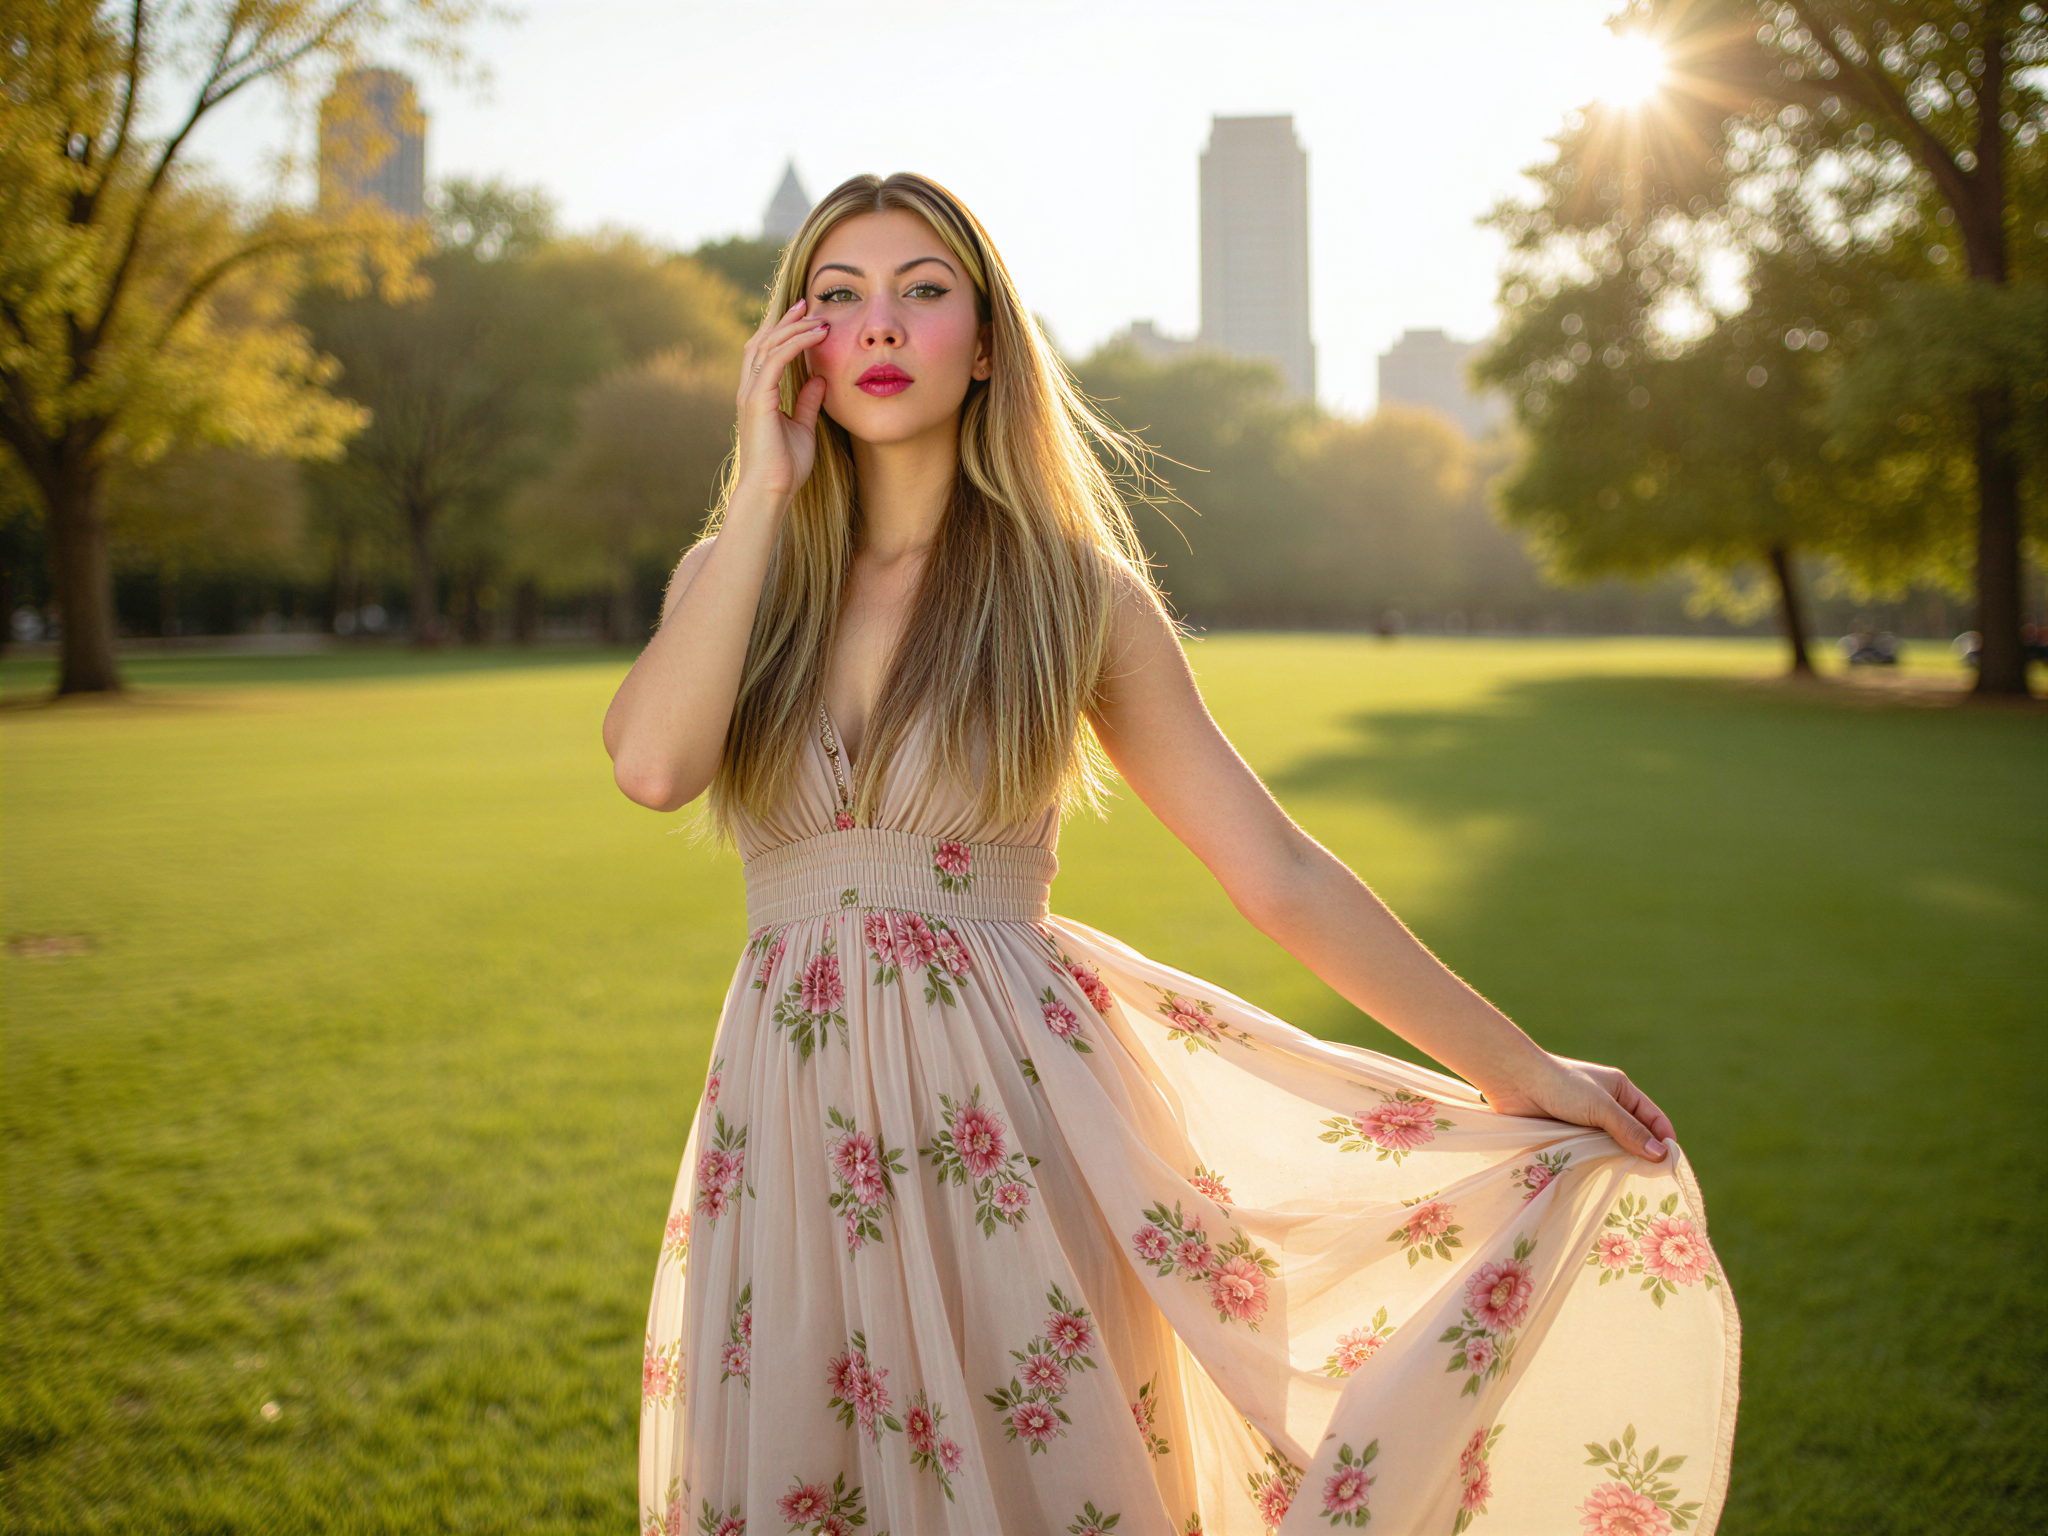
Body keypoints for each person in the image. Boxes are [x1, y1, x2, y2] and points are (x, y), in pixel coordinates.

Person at [603, 173, 1739, 1536]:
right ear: (796, 345)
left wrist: (1524, 1073)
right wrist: (764, 490)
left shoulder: (1071, 593)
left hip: (1010, 1133)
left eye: (923, 290)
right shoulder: (733, 579)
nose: (881, 327)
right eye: (839, 297)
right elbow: (655, 769)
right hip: (786, 1126)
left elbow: (1280, 872)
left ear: (984, 342)